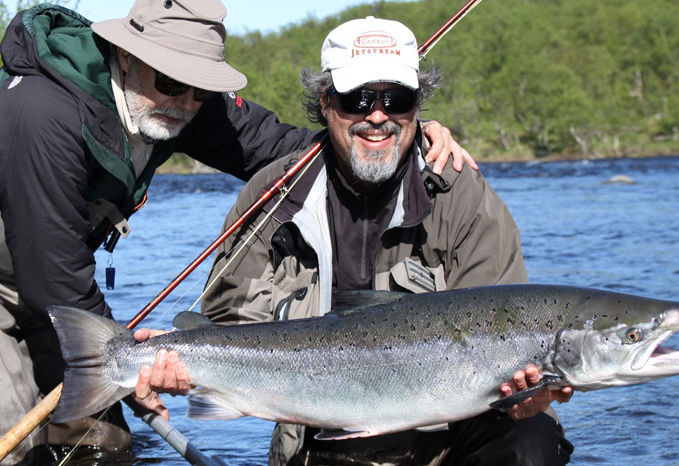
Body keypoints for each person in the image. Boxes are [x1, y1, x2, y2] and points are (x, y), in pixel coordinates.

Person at [0, 1, 471, 464]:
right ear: (125, 57)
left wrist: (401, 137)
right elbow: (54, 278)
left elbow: (294, 152)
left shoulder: (175, 95)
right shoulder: (40, 114)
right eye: (170, 83)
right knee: (11, 425)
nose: (186, 102)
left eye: (199, 88)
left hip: (39, 271)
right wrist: (135, 371)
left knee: (101, 447)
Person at [140, 16, 575, 466]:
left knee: (532, 439)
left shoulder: (461, 196)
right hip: (315, 440)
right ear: (326, 103)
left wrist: (524, 397)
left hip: (447, 443)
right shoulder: (275, 195)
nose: (378, 115)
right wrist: (181, 362)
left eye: (398, 98)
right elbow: (228, 323)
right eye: (358, 98)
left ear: (417, 106)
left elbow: (511, 325)